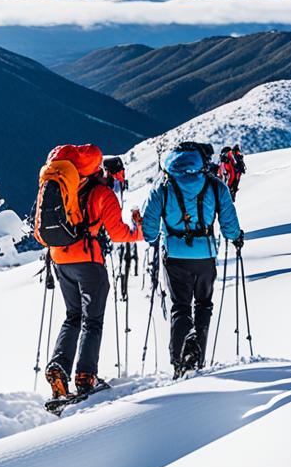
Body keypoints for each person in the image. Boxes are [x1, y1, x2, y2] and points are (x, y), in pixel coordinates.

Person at [38, 145, 143, 400]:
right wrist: (138, 229)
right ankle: (85, 376)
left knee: (72, 316)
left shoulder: (63, 186)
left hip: (59, 258)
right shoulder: (102, 194)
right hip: (89, 262)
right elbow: (118, 234)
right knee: (92, 320)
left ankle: (59, 367)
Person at [141, 144, 242, 376]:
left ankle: (180, 360)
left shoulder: (163, 186)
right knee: (203, 305)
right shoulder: (216, 185)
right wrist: (237, 238)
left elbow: (149, 230)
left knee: (180, 307)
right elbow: (229, 226)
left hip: (175, 256)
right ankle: (197, 358)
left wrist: (157, 237)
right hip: (205, 255)